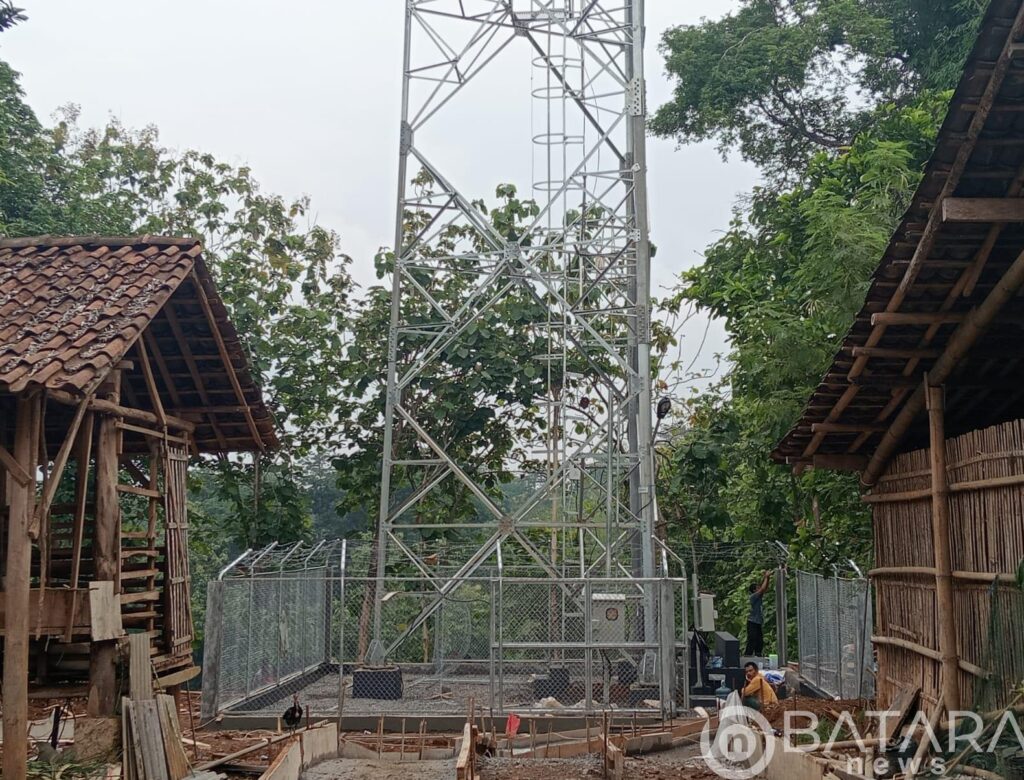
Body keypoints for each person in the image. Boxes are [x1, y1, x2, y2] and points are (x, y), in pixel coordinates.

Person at [746, 569, 772, 656]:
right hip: (752, 622)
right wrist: (766, 577)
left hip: (758, 622)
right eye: (757, 587)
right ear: (754, 590)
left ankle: (758, 655)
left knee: (759, 641)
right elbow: (763, 589)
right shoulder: (753, 597)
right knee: (752, 640)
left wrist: (767, 578)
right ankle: (747, 656)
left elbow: (764, 588)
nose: (759, 588)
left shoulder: (759, 597)